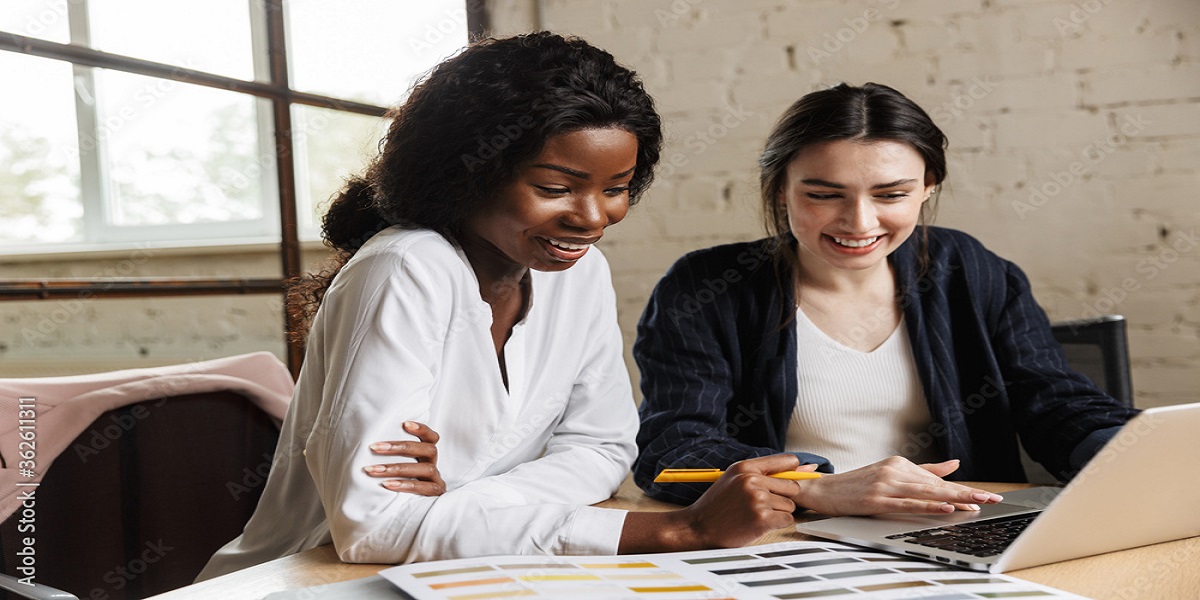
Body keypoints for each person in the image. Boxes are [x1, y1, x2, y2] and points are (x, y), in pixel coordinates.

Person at [197, 32, 809, 581]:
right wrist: (683, 531)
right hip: (307, 578)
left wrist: (456, 496)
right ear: (469, 172)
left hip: (473, 571)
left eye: (616, 189)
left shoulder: (579, 275)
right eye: (554, 188)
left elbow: (604, 450)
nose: (593, 218)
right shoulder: (405, 268)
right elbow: (372, 530)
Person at [632, 82, 1139, 514]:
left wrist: (1138, 450)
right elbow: (673, 456)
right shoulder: (706, 286)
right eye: (824, 195)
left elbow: (1054, 402)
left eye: (891, 195)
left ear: (927, 187)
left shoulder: (971, 270)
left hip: (959, 527)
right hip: (791, 533)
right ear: (779, 189)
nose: (859, 222)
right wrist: (818, 487)